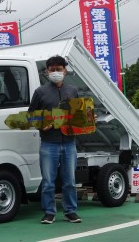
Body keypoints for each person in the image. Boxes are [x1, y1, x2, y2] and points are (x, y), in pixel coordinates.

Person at [29, 55, 81, 224]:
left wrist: (87, 119)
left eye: (59, 69)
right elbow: (31, 116)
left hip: (69, 142)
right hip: (48, 143)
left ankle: (70, 211)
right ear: (47, 72)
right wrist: (40, 126)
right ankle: (49, 212)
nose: (56, 72)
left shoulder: (72, 91)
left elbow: (78, 114)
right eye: (52, 70)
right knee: (48, 182)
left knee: (70, 181)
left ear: (65, 71)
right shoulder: (40, 92)